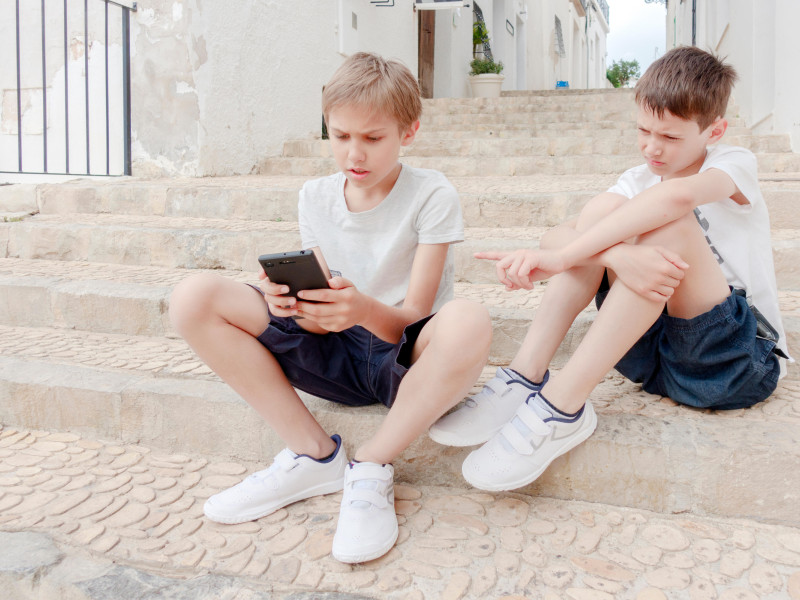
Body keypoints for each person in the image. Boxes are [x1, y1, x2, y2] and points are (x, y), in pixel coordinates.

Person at [169, 52, 492, 562]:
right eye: (340, 137)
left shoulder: (431, 193)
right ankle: (314, 454)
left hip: (400, 361)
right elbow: (315, 319)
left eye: (372, 138)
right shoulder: (314, 195)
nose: (353, 154)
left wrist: (361, 308)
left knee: (469, 318)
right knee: (193, 297)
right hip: (334, 350)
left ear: (408, 133)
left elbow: (414, 319)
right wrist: (291, 304)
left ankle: (370, 466)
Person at [429, 46, 790, 492]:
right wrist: (614, 256)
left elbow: (674, 200)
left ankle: (561, 408)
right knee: (601, 212)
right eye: (643, 130)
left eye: (671, 137)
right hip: (650, 357)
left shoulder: (733, 164)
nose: (651, 148)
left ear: (714, 130)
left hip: (731, 361)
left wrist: (567, 258)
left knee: (665, 223)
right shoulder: (636, 177)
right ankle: (525, 377)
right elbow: (560, 235)